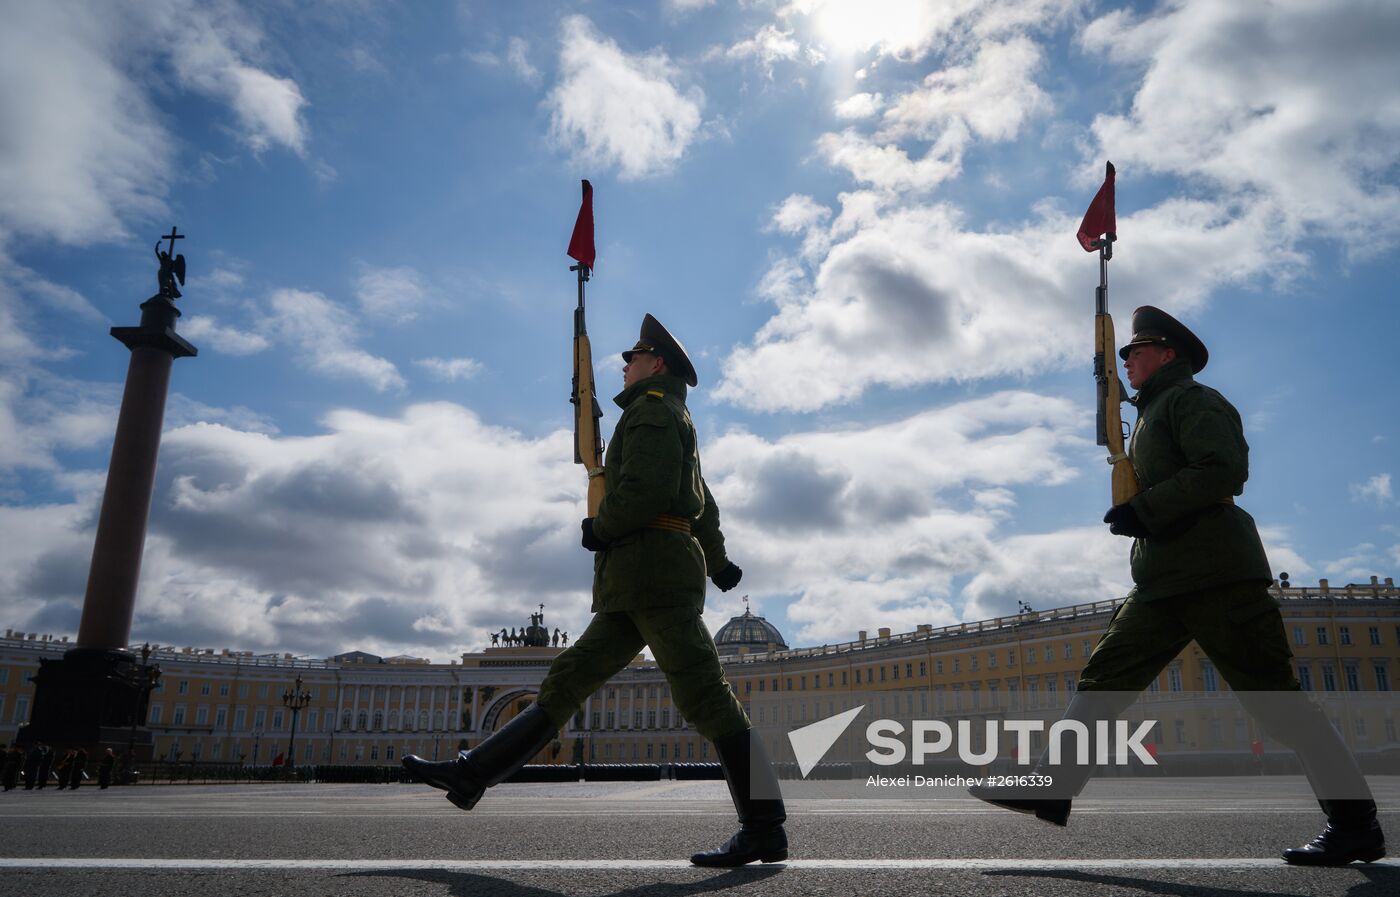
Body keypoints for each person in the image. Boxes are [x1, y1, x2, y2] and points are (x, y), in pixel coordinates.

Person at [972, 306, 1385, 866]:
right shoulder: (1146, 414)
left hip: (1216, 572)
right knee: (1105, 678)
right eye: (1124, 354)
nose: (1127, 362)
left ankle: (1355, 824)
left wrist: (1145, 508)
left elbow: (1223, 468)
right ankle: (1053, 784)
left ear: (1168, 355)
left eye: (1135, 352)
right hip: (1163, 577)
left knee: (1280, 706)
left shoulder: (1193, 400)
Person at [404, 314, 787, 866]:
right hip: (636, 581)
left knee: (706, 697)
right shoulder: (663, 414)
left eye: (632, 357)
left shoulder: (653, 412)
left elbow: (653, 491)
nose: (624, 364)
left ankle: (765, 827)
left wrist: (599, 528)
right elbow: (701, 499)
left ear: (655, 364)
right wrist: (720, 563)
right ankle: (471, 776)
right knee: (566, 681)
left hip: (652, 575)